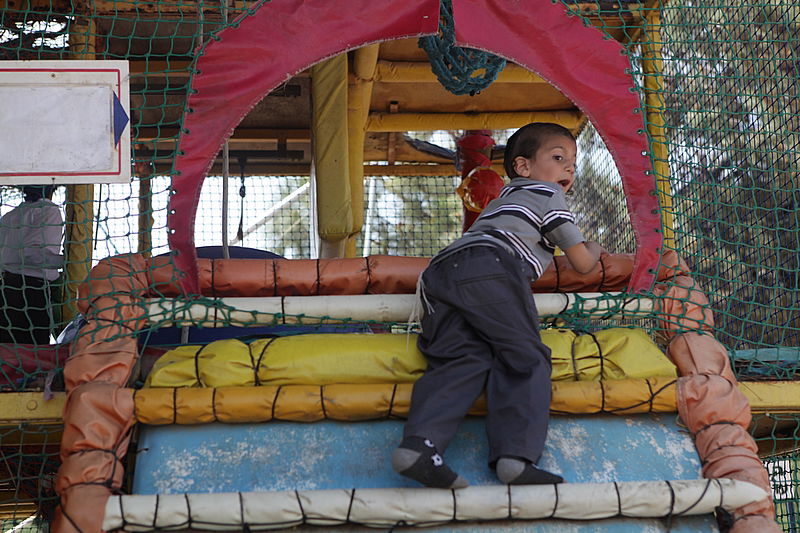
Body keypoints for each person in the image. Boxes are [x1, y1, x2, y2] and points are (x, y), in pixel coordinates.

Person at [392, 123, 606, 489]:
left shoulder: (502, 203)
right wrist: (598, 249)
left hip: (439, 273)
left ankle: (420, 446)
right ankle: (516, 457)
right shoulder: (546, 193)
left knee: (463, 359)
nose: (569, 169)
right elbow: (583, 263)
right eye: (558, 158)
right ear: (523, 167)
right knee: (525, 356)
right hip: (490, 267)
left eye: (573, 162)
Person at [0, 185, 64, 345]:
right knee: (33, 353)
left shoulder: (11, 215)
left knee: (7, 351)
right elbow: (33, 253)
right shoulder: (49, 211)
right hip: (31, 293)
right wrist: (67, 261)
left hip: (6, 289)